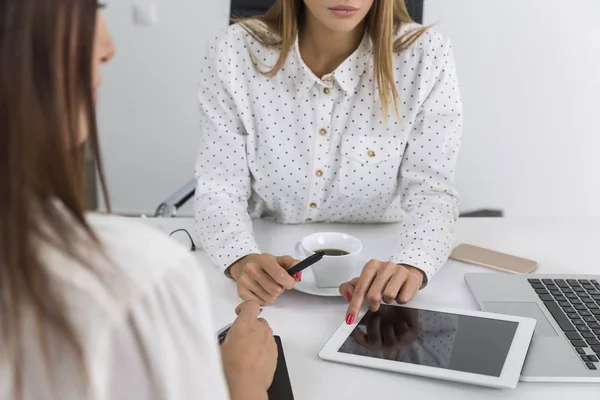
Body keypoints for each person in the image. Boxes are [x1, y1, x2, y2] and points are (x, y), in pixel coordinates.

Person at [0, 1, 276, 399]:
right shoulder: (141, 281)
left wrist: (404, 258)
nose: (110, 47)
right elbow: (218, 184)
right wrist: (243, 381)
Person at [195, 0, 462, 324]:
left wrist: (412, 265)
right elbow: (218, 189)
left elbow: (432, 192)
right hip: (270, 290)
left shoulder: (426, 56)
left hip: (381, 277)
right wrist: (240, 259)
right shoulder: (233, 53)